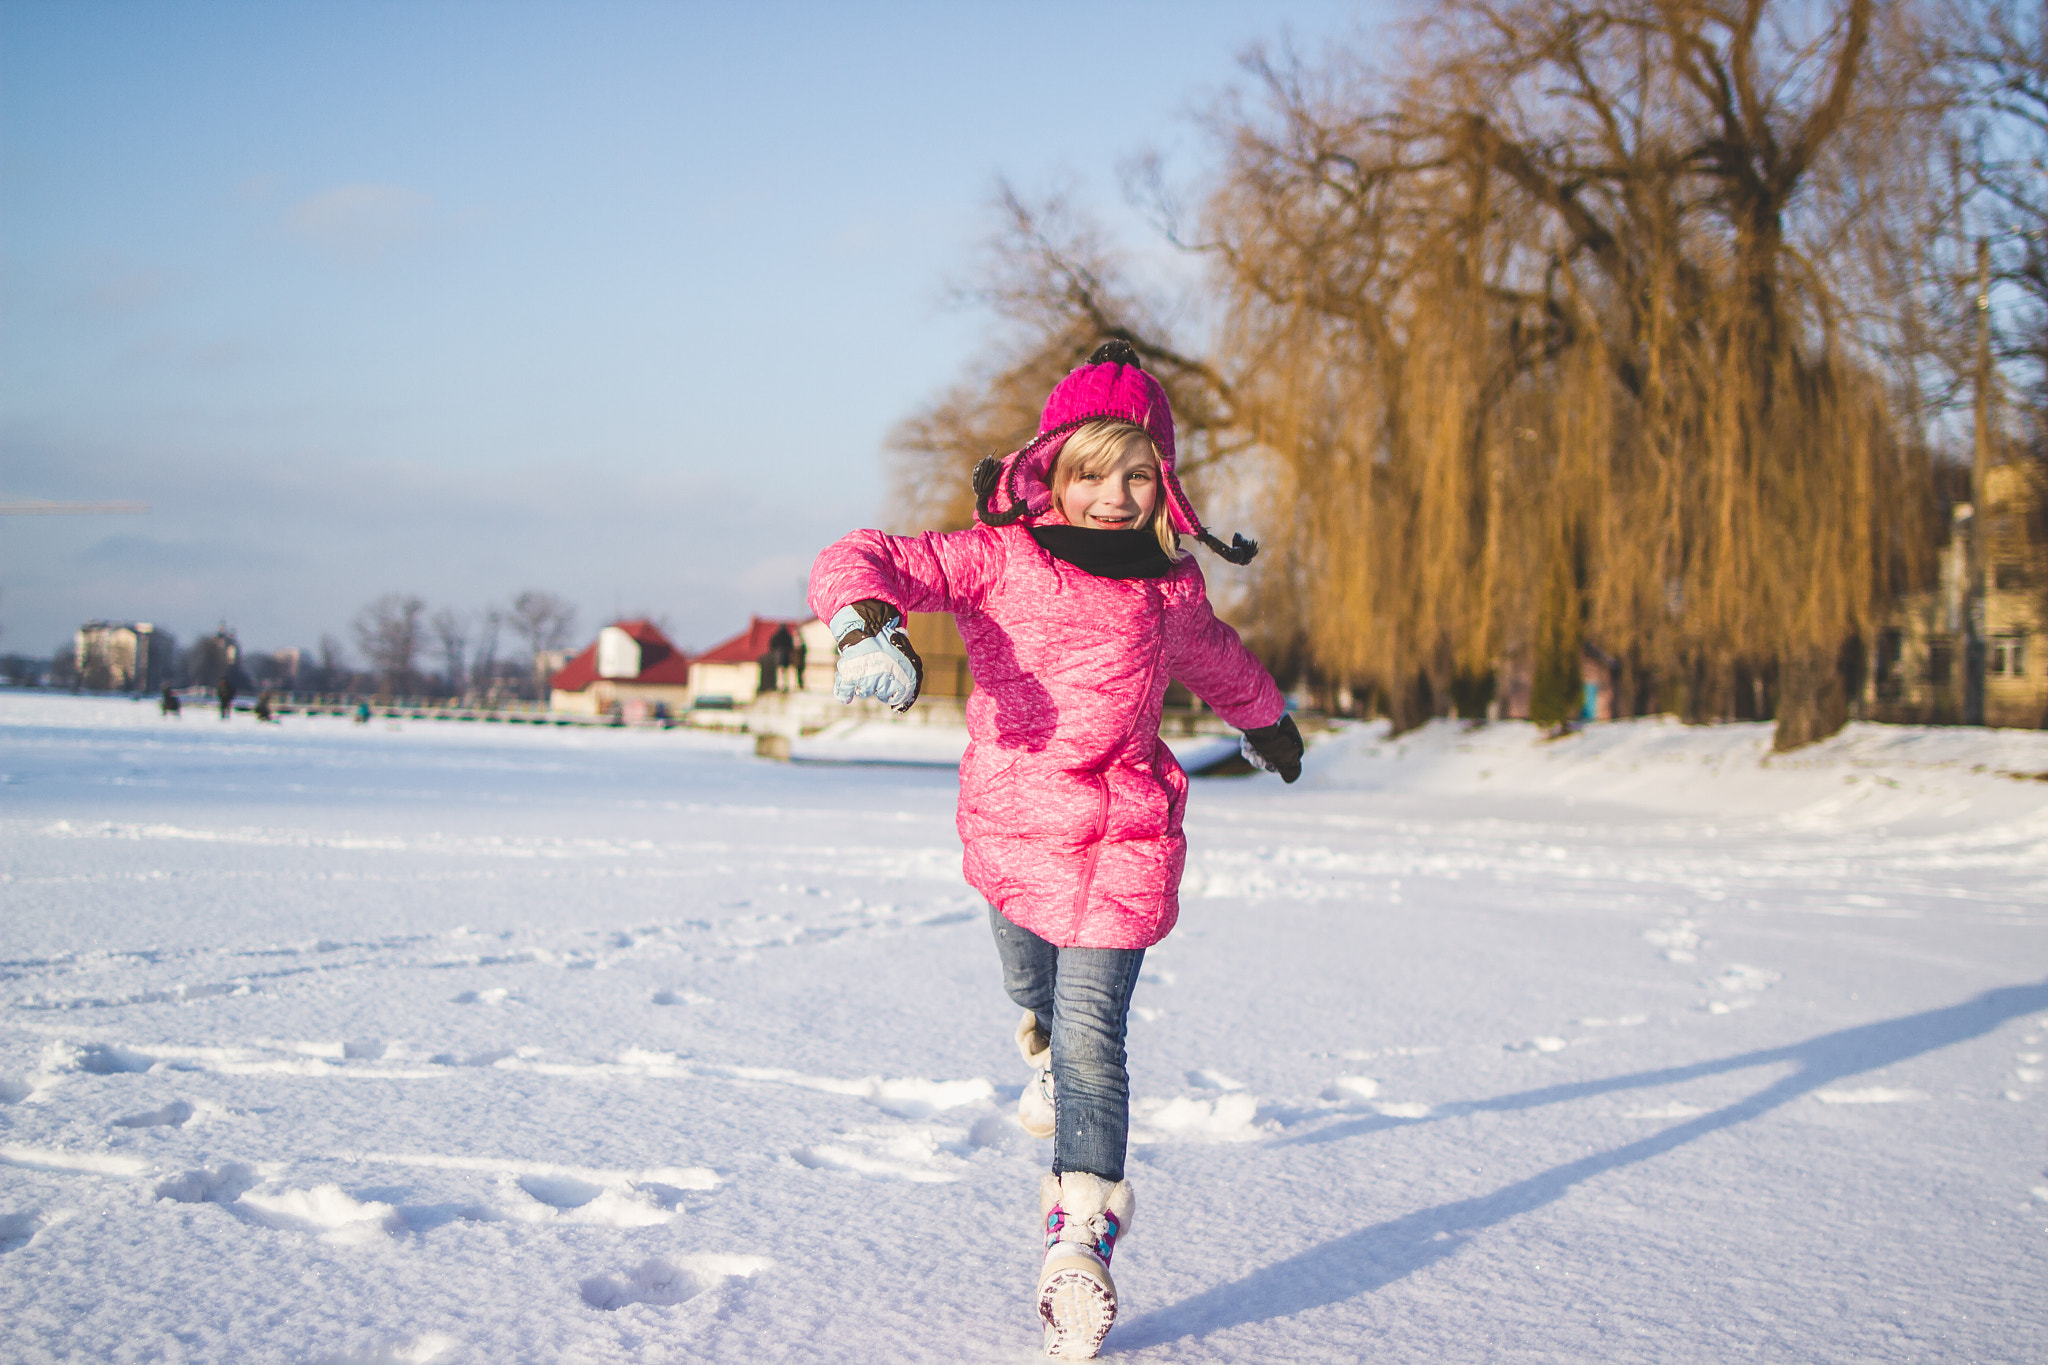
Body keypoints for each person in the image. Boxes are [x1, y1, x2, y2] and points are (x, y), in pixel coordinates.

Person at [809, 341, 1304, 1359]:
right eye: (1092, 472)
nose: (1116, 495)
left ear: (1162, 481)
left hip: (1123, 833)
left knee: (1093, 1037)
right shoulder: (998, 558)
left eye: (1137, 473)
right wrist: (866, 625)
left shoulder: (1166, 593)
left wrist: (1265, 722)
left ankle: (1078, 1234)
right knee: (1031, 995)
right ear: (1051, 472)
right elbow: (869, 556)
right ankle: (1033, 1047)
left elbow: (1219, 659)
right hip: (1010, 827)